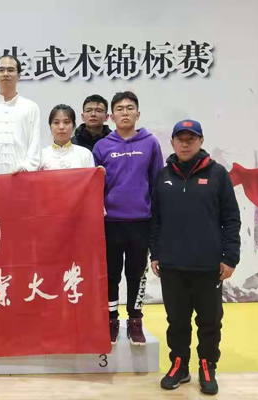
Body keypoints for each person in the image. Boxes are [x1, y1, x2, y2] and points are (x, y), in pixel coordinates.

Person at [150, 120, 241, 395]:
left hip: (208, 265)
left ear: (201, 141)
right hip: (172, 265)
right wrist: (156, 253)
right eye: (181, 139)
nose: (186, 143)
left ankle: (207, 366)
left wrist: (230, 257)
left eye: (191, 138)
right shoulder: (163, 176)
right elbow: (156, 220)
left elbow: (231, 218)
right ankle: (179, 366)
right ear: (173, 143)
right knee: (177, 320)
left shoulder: (218, 174)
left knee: (209, 321)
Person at [93, 91, 163, 346]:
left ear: (138, 113)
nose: (125, 112)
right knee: (111, 275)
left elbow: (157, 185)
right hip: (110, 223)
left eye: (130, 108)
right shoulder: (101, 147)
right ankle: (111, 320)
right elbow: (94, 188)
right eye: (120, 108)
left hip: (140, 222)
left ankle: (135, 320)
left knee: (136, 275)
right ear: (111, 116)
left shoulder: (150, 144)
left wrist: (156, 220)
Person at [40, 104, 95, 170]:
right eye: (56, 122)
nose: (61, 127)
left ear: (73, 126)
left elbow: (91, 176)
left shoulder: (85, 154)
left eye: (66, 122)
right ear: (50, 126)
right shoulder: (41, 156)